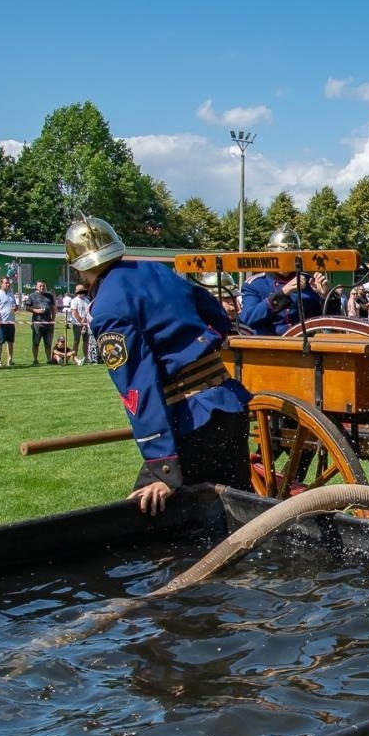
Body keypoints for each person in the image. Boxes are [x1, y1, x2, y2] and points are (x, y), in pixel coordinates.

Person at [65, 215, 252, 517]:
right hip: (230, 405)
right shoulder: (156, 270)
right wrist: (206, 343)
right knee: (239, 515)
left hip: (192, 422)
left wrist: (162, 465)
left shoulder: (106, 308)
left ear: (79, 266)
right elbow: (215, 314)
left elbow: (138, 386)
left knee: (147, 521)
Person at [240, 228, 330, 336]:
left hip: (305, 345)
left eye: (290, 258)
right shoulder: (255, 284)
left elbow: (328, 322)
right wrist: (283, 292)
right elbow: (249, 319)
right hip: (268, 346)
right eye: (281, 258)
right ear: (270, 255)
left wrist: (324, 297)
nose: (286, 264)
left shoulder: (309, 281)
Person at [23, 279, 56, 363]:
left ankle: (49, 359)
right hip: (37, 323)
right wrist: (35, 311)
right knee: (36, 342)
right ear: (36, 287)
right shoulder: (32, 296)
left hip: (48, 323)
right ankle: (35, 359)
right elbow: (27, 307)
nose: (42, 287)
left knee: (48, 343)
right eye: (40, 286)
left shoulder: (50, 296)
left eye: (43, 286)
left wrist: (53, 320)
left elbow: (53, 309)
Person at [0, 276, 18, 367]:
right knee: (0, 342)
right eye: (6, 283)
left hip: (10, 322)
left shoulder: (11, 294)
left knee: (10, 342)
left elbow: (15, 307)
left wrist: (16, 308)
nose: (8, 284)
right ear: (1, 284)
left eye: (8, 283)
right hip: (1, 322)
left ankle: (10, 359)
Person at [68, 283, 93, 363]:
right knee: (76, 341)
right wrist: (81, 322)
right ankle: (74, 357)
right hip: (77, 324)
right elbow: (75, 313)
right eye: (79, 290)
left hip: (86, 324)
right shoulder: (74, 301)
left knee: (86, 341)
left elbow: (89, 311)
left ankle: (86, 357)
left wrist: (87, 322)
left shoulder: (87, 300)